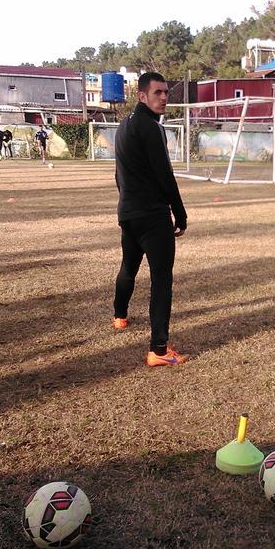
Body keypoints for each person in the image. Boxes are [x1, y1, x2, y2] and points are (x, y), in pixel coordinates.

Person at [113, 71, 190, 367]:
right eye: (157, 93)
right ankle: (159, 349)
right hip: (152, 216)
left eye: (166, 93)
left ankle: (120, 316)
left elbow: (118, 174)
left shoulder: (123, 126)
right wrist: (179, 213)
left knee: (128, 267)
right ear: (142, 96)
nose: (163, 98)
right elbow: (165, 176)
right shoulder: (151, 128)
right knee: (161, 281)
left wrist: (126, 202)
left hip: (128, 214)